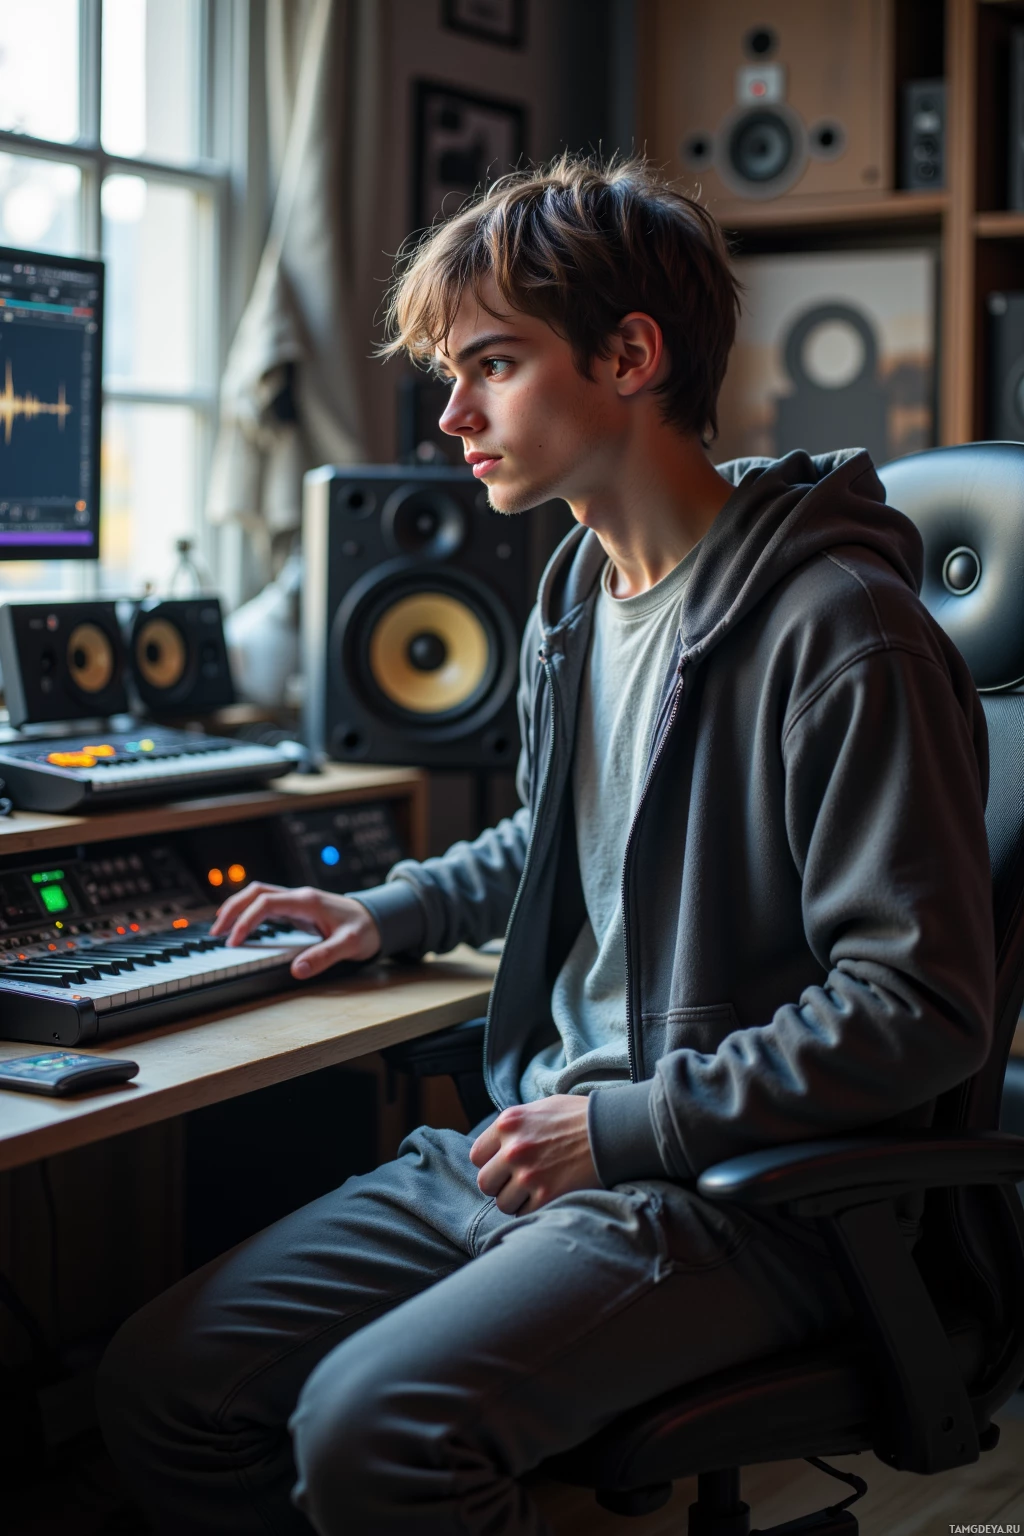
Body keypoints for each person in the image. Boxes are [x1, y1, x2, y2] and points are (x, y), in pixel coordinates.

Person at [97, 154, 994, 1536]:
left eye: (492, 366)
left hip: (734, 1191)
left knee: (373, 1431)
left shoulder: (842, 635)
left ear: (630, 354)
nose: (451, 413)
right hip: (539, 1143)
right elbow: (563, 836)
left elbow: (918, 1008)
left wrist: (622, 1127)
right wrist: (385, 913)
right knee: (169, 1380)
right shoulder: (581, 581)